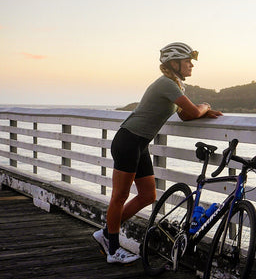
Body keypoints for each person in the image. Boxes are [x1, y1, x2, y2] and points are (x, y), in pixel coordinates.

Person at [93, 42, 223, 264]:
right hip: (128, 141)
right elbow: (192, 111)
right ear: (174, 64)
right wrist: (205, 105)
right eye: (187, 61)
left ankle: (106, 233)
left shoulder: (175, 85)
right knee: (119, 196)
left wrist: (199, 110)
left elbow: (184, 116)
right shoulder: (166, 84)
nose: (191, 65)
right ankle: (113, 249)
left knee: (148, 195)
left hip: (139, 143)